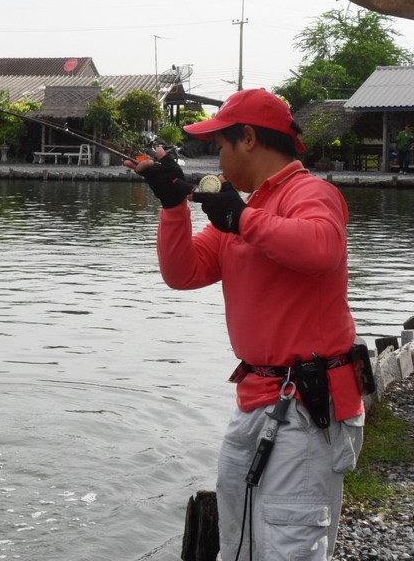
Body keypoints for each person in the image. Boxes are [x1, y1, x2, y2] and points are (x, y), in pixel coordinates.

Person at [126, 88, 364, 560]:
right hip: (256, 399)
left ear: (248, 139)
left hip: (308, 407)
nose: (217, 154)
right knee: (239, 539)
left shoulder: (311, 194)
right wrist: (173, 205)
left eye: (221, 143)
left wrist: (241, 216)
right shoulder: (239, 215)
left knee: (288, 541)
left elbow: (322, 249)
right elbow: (183, 273)